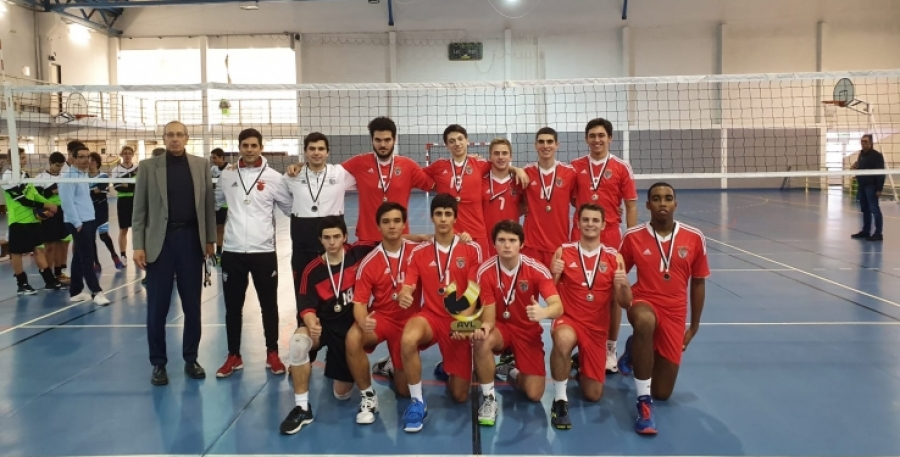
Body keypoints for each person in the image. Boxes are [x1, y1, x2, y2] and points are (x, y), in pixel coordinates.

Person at [617, 182, 709, 435]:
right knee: (644, 321)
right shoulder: (633, 236)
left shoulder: (694, 237)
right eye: (656, 199)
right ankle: (643, 402)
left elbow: (698, 283)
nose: (662, 203)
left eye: (668, 198)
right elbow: (617, 274)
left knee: (663, 392)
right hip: (643, 301)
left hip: (675, 311)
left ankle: (633, 349)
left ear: (675, 204)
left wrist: (694, 327)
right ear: (648, 205)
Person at [133, 120, 216, 386]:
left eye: (180, 135)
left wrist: (210, 240)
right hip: (160, 242)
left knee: (192, 305)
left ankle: (191, 358)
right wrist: (138, 245)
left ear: (187, 138)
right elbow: (139, 209)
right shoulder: (148, 167)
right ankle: (158, 363)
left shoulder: (201, 165)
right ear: (164, 138)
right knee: (157, 307)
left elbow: (208, 206)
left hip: (191, 241)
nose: (175, 139)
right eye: (170, 135)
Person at [279, 216, 378, 435]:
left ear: (345, 237)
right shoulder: (311, 270)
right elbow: (306, 307)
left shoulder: (358, 252)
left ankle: (346, 362)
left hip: (349, 329)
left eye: (336, 237)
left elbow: (391, 239)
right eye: (327, 238)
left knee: (341, 394)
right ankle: (302, 408)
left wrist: (424, 238)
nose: (332, 242)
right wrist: (311, 322)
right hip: (324, 327)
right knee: (298, 342)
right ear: (320, 240)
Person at [397, 193, 483, 433]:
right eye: (438, 214)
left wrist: (463, 324)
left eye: (448, 214)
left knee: (460, 395)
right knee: (408, 337)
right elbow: (408, 284)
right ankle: (417, 402)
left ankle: (448, 365)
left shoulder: (471, 248)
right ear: (431, 217)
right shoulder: (419, 252)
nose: (443, 219)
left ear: (455, 218)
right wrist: (404, 293)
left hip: (458, 320)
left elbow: (473, 292)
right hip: (431, 318)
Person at [214, 128, 294, 378]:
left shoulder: (274, 178)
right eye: (245, 145)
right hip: (233, 251)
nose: (249, 150)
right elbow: (215, 203)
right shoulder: (227, 175)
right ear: (239, 147)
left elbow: (289, 208)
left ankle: (273, 353)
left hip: (264, 251)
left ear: (261, 147)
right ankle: (233, 355)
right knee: (232, 308)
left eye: (253, 145)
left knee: (269, 305)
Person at [548, 203, 631, 429]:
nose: (590, 224)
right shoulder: (563, 251)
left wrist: (624, 285)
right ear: (578, 222)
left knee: (593, 394)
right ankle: (560, 400)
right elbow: (549, 293)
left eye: (595, 220)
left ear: (603, 225)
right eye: (585, 219)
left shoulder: (614, 257)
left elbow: (625, 303)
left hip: (596, 328)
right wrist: (554, 274)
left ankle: (580, 364)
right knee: (563, 339)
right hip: (569, 319)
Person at [286, 117, 433, 244]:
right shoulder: (359, 163)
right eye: (378, 140)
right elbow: (328, 171)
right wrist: (302, 165)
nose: (382, 145)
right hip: (367, 238)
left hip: (400, 238)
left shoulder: (408, 166)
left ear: (394, 139)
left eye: (387, 140)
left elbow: (433, 185)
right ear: (372, 140)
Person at [472, 220, 562, 426]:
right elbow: (489, 317)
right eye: (501, 240)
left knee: (534, 393)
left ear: (521, 244)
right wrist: (483, 327)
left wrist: (543, 312)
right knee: (482, 340)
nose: (507, 245)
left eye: (512, 240)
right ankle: (489, 398)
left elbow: (558, 306)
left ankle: (510, 370)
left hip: (526, 330)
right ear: (494, 243)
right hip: (500, 327)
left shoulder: (536, 269)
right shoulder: (485, 271)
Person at [570, 117, 638, 374]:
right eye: (592, 135)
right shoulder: (575, 166)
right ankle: (582, 344)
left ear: (610, 138)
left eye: (601, 135)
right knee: (579, 290)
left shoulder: (621, 167)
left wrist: (631, 239)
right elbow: (571, 198)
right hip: (580, 233)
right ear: (586, 139)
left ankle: (610, 348)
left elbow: (630, 205)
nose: (597, 140)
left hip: (610, 235)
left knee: (612, 294)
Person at [346, 202, 421, 424]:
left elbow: (445, 244)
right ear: (378, 226)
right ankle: (368, 396)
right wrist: (363, 321)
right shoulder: (369, 262)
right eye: (386, 222)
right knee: (353, 337)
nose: (392, 226)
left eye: (397, 221)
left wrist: (463, 237)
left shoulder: (418, 252)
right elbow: (359, 303)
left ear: (404, 224)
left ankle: (389, 366)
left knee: (404, 392)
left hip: (411, 322)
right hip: (384, 318)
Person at [424, 125, 528, 254]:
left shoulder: (479, 165)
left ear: (467, 140)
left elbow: (500, 164)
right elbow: (418, 176)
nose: (457, 143)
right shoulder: (439, 166)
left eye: (460, 139)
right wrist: (436, 186)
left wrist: (517, 169)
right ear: (446, 145)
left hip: (476, 232)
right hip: (451, 232)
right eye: (452, 141)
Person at [282, 132, 356, 296]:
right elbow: (284, 201)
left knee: (334, 287)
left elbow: (366, 178)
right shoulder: (292, 176)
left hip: (332, 239)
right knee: (302, 288)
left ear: (327, 152)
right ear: (305, 152)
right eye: (312, 149)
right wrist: (299, 213)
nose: (316, 152)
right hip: (303, 240)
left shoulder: (339, 173)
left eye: (321, 149)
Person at [1, 148, 62, 294]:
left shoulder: (25, 175)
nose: (25, 160)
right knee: (16, 253)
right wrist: (46, 205)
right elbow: (23, 200)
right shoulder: (7, 177)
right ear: (11, 160)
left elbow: (34, 195)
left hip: (32, 220)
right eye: (21, 157)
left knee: (38, 249)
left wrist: (49, 204)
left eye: (24, 157)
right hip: (18, 221)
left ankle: (49, 281)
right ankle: (22, 284)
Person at [58, 145, 110, 306]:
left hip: (88, 220)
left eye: (87, 156)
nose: (86, 160)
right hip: (79, 223)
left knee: (79, 256)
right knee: (88, 257)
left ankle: (75, 292)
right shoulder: (69, 177)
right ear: (73, 158)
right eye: (81, 156)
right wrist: (77, 223)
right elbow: (66, 202)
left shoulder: (82, 175)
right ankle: (96, 292)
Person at [522, 127, 577, 268]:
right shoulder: (525, 172)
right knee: (529, 282)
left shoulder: (569, 173)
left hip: (559, 243)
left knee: (556, 282)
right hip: (531, 244)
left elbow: (579, 201)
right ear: (535, 145)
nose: (545, 146)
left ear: (557, 145)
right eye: (541, 142)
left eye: (550, 142)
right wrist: (513, 169)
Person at [481, 138, 524, 257]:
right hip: (486, 241)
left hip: (510, 242)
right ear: (490, 157)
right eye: (496, 153)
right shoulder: (480, 182)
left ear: (511, 157)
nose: (500, 157)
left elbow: (525, 206)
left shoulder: (519, 182)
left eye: (504, 153)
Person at [35, 152, 71, 285]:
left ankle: (59, 272)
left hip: (63, 212)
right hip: (49, 213)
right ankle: (49, 276)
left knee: (61, 244)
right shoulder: (40, 178)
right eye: (57, 165)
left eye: (61, 165)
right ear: (50, 163)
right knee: (50, 245)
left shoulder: (64, 177)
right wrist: (52, 191)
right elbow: (36, 197)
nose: (59, 168)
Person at [88, 152, 125, 271]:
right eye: (89, 160)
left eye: (93, 160)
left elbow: (101, 189)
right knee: (91, 238)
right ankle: (96, 263)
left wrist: (90, 191)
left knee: (104, 235)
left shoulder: (103, 176)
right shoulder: (82, 176)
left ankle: (114, 256)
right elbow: (92, 191)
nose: (90, 162)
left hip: (101, 209)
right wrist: (93, 191)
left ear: (97, 163)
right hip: (87, 210)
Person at [851, 134, 885, 241]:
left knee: (874, 209)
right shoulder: (861, 154)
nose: (863, 143)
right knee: (865, 209)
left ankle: (878, 233)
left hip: (871, 186)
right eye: (862, 141)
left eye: (865, 141)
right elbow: (861, 167)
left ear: (871, 143)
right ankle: (866, 231)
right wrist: (855, 167)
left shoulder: (877, 155)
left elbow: (881, 173)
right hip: (862, 185)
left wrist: (879, 189)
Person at [111, 145, 138, 263]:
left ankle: (138, 253)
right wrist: (131, 186)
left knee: (138, 229)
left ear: (132, 155)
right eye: (125, 153)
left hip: (137, 200)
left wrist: (127, 185)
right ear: (121, 155)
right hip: (123, 201)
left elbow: (140, 186)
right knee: (123, 229)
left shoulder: (138, 168)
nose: (127, 155)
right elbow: (117, 187)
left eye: (129, 153)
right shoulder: (116, 170)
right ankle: (123, 256)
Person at [209, 147, 232, 262]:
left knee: (222, 228)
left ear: (222, 157)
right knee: (215, 228)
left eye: (215, 158)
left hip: (225, 205)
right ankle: (214, 252)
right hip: (214, 203)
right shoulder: (213, 169)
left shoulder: (230, 169)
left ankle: (221, 252)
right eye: (212, 158)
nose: (213, 160)